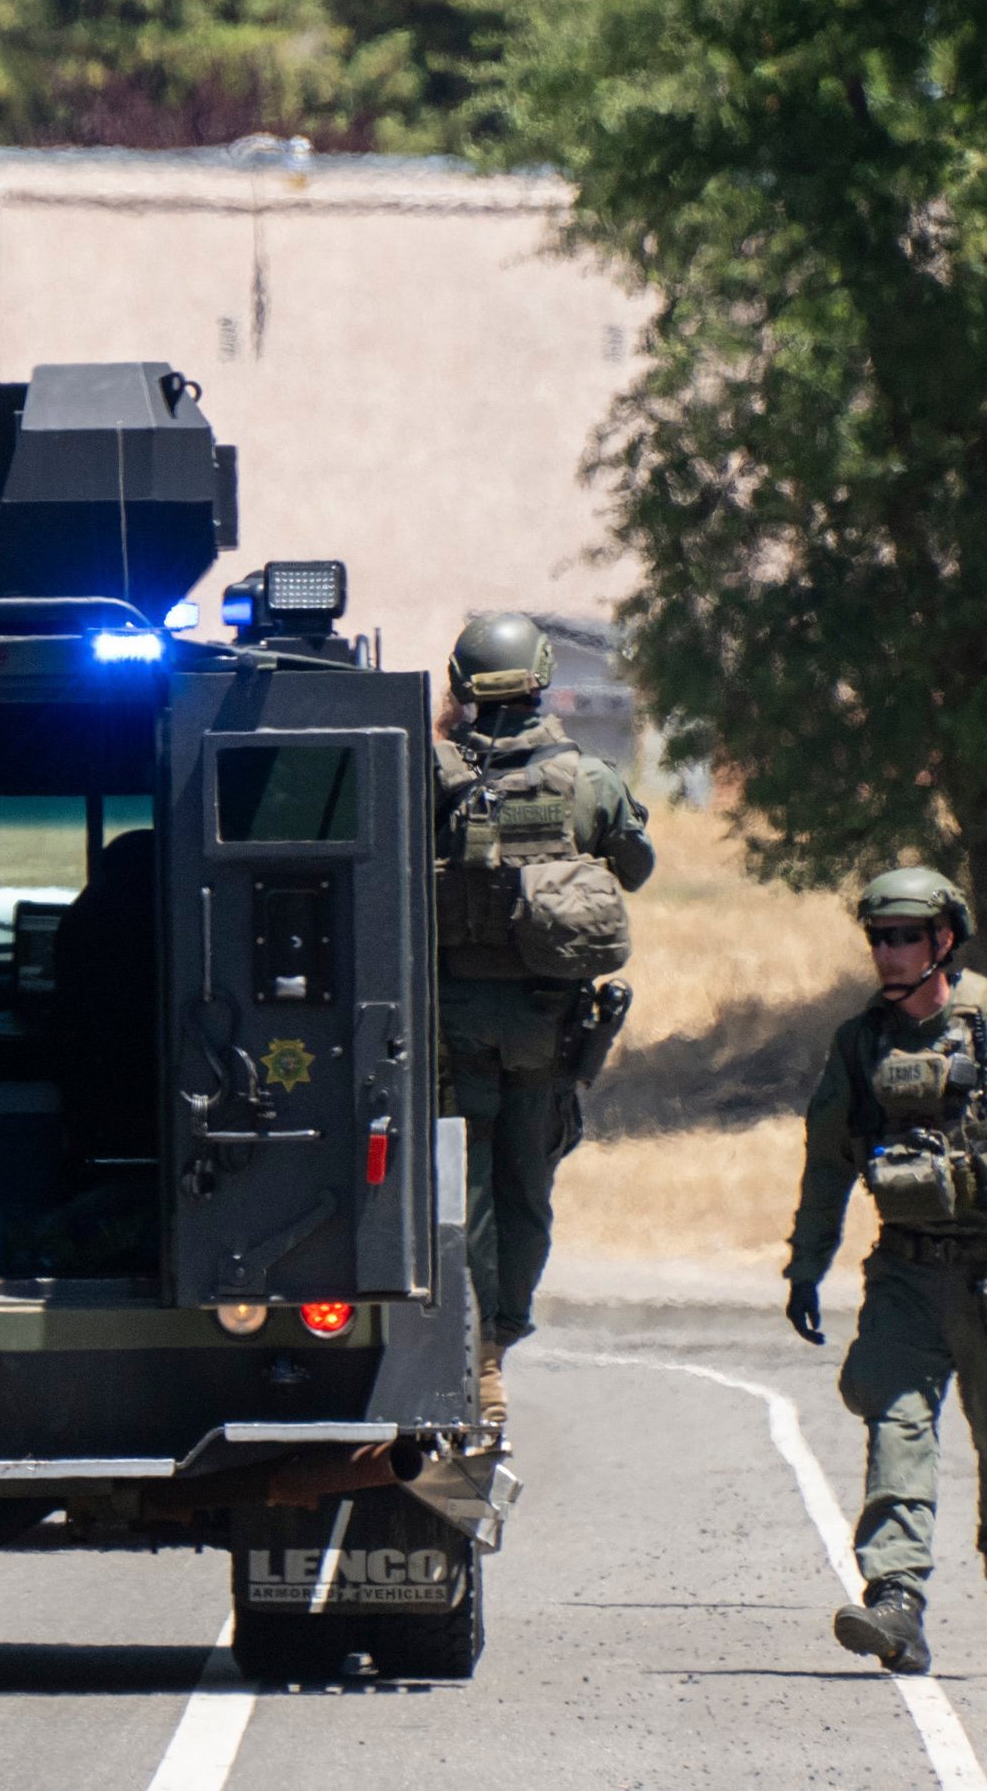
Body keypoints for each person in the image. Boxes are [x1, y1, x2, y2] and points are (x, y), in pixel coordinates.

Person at [784, 868, 987, 1680]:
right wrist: (805, 1267)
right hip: (905, 1276)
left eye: (905, 937)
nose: (889, 953)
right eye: (878, 938)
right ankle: (896, 1603)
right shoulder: (860, 1045)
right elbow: (827, 1164)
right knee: (896, 1424)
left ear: (943, 941)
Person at [432, 612, 655, 1428]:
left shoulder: (430, 775)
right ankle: (498, 1344)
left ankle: (473, 1353)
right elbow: (635, 865)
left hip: (447, 1033)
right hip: (542, 1030)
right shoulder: (587, 780)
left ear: (460, 684)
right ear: (543, 676)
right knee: (528, 1190)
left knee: (467, 1194)